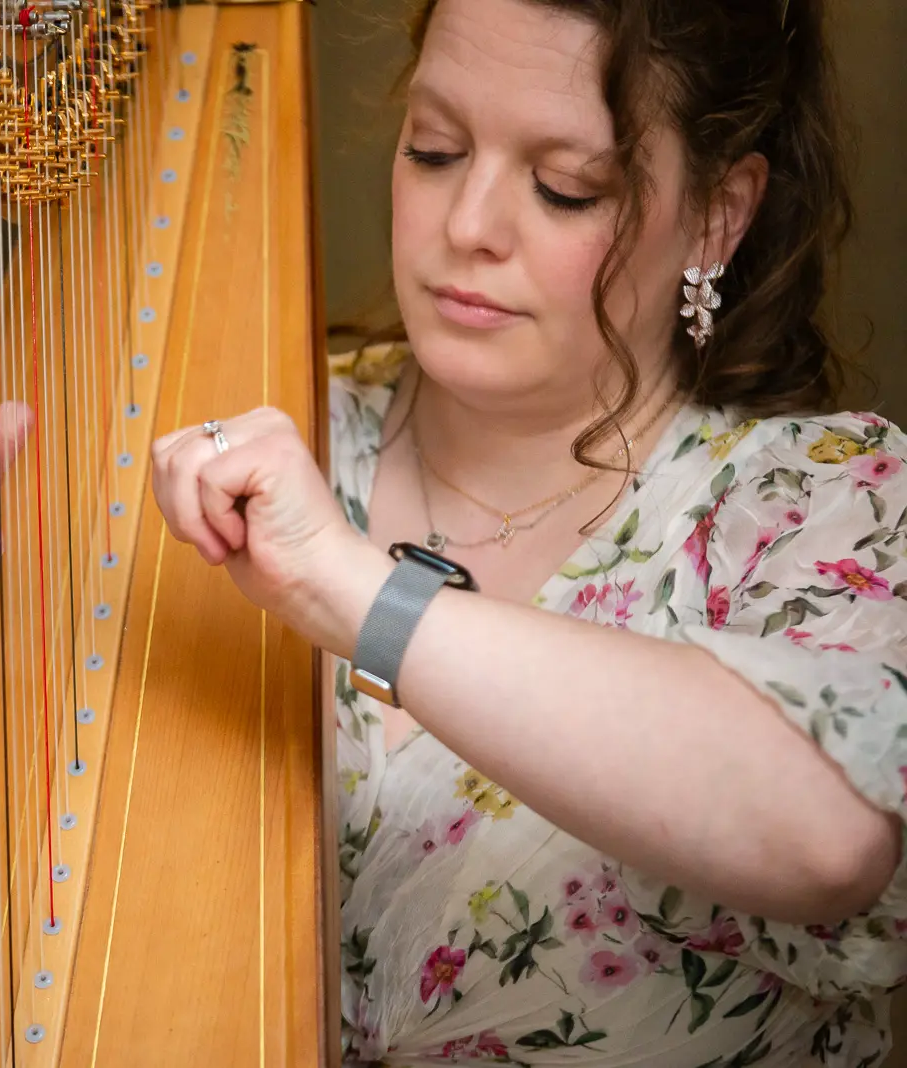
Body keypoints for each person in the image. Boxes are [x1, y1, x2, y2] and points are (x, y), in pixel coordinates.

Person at [149, 0, 907, 1062]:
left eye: (564, 187)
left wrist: (359, 596)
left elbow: (832, 834)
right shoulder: (246, 447)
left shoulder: (819, 504)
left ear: (716, 215)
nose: (469, 224)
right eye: (434, 149)